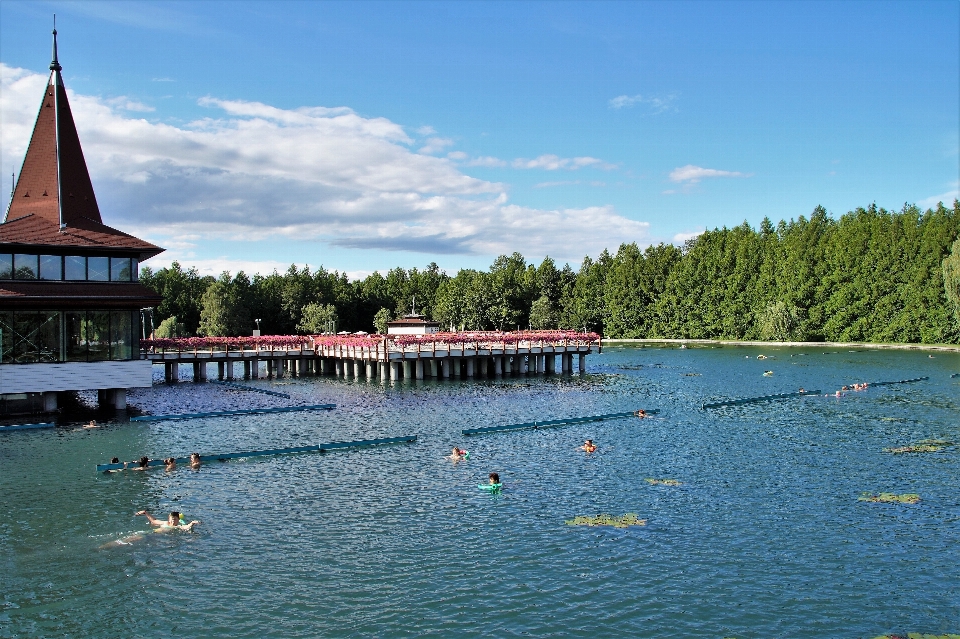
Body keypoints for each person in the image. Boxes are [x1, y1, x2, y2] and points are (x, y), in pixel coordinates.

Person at [135, 510, 200, 532]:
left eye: (174, 519)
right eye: (171, 519)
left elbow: (186, 527)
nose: (172, 521)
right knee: (136, 536)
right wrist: (146, 513)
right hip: (152, 533)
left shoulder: (178, 527)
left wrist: (192, 523)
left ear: (178, 520)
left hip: (157, 537)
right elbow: (154, 521)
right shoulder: (165, 522)